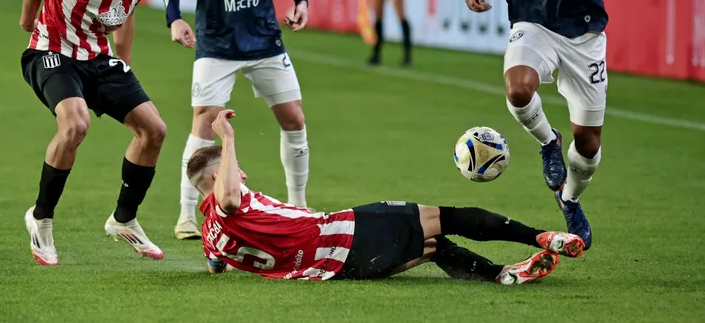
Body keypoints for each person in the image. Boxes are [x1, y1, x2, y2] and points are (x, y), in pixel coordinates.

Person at [465, 0, 653, 249]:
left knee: (588, 146)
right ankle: (548, 142)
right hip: (532, 23)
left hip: (583, 34)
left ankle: (569, 200)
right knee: (518, 89)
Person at [188, 110, 586, 283]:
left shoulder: (210, 235)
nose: (242, 173)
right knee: (448, 216)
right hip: (341, 235)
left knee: (432, 245)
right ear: (215, 176)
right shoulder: (228, 201)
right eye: (233, 168)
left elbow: (215, 263)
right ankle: (543, 236)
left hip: (335, 267)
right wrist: (228, 138)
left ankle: (501, 275)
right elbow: (229, 201)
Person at [159, 0, 310, 240]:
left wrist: (301, 0)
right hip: (216, 42)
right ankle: (186, 216)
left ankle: (298, 204)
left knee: (294, 118)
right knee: (204, 124)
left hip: (264, 40)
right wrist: (174, 18)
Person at [19, 0, 171, 266]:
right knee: (76, 124)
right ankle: (40, 218)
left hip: (98, 58)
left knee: (154, 130)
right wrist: (28, 22)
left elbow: (124, 16)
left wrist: (125, 63)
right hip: (51, 51)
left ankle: (124, 220)